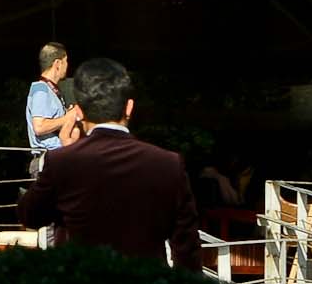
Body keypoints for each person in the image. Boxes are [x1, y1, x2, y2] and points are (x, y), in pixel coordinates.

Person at [16, 58, 204, 269]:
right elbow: (187, 249)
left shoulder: (62, 162)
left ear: (79, 112)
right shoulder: (168, 164)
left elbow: (29, 215)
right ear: (129, 107)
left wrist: (67, 151)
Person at [24, 43, 73, 168]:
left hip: (56, 159)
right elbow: (39, 127)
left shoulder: (51, 90)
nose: (67, 65)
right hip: (48, 161)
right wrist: (68, 117)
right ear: (57, 63)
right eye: (66, 61)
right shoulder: (41, 89)